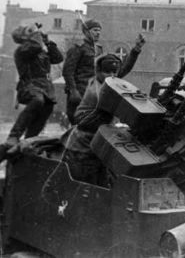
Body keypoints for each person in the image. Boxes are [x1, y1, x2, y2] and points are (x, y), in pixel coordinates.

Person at [0, 24, 64, 161]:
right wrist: (36, 34)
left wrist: (48, 41)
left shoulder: (40, 50)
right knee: (37, 100)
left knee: (47, 108)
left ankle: (28, 142)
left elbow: (58, 58)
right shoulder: (22, 50)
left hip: (46, 87)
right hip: (30, 85)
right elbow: (35, 46)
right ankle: (14, 135)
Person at [62, 18, 145, 124]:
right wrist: (73, 91)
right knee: (79, 127)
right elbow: (67, 72)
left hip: (97, 93)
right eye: (95, 30)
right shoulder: (78, 48)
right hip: (80, 93)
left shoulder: (98, 50)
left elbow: (120, 71)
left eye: (99, 30)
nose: (98, 33)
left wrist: (135, 51)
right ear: (86, 32)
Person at [62, 54, 122, 186]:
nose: (112, 76)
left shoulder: (103, 84)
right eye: (108, 72)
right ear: (99, 72)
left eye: (114, 72)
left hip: (96, 146)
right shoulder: (97, 92)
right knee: (85, 188)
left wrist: (135, 51)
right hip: (82, 148)